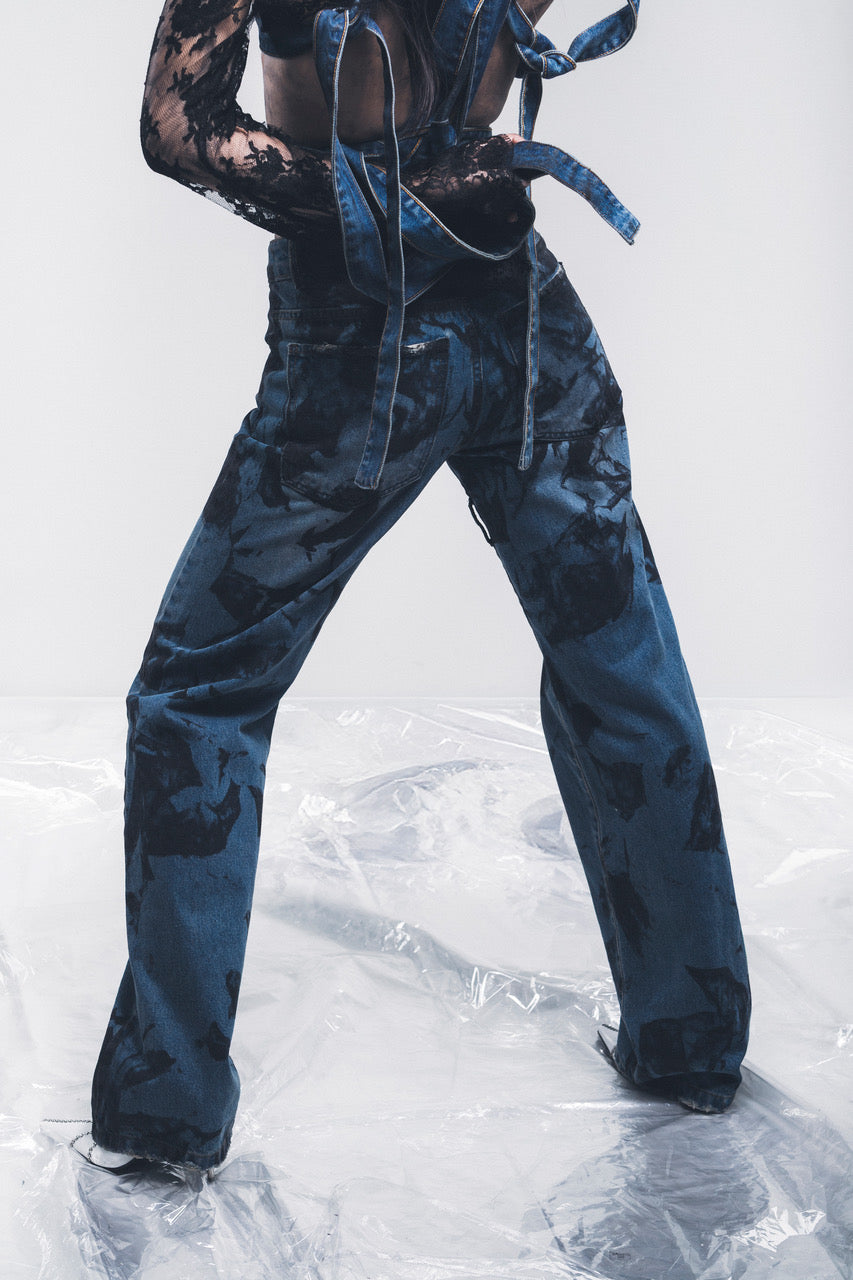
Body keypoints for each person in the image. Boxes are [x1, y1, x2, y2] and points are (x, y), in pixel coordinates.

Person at [84, 0, 751, 1177]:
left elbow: (179, 131)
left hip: (366, 342)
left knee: (199, 692)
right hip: (519, 311)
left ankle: (163, 1110)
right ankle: (690, 1043)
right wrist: (445, 174)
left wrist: (386, 192)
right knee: (617, 657)